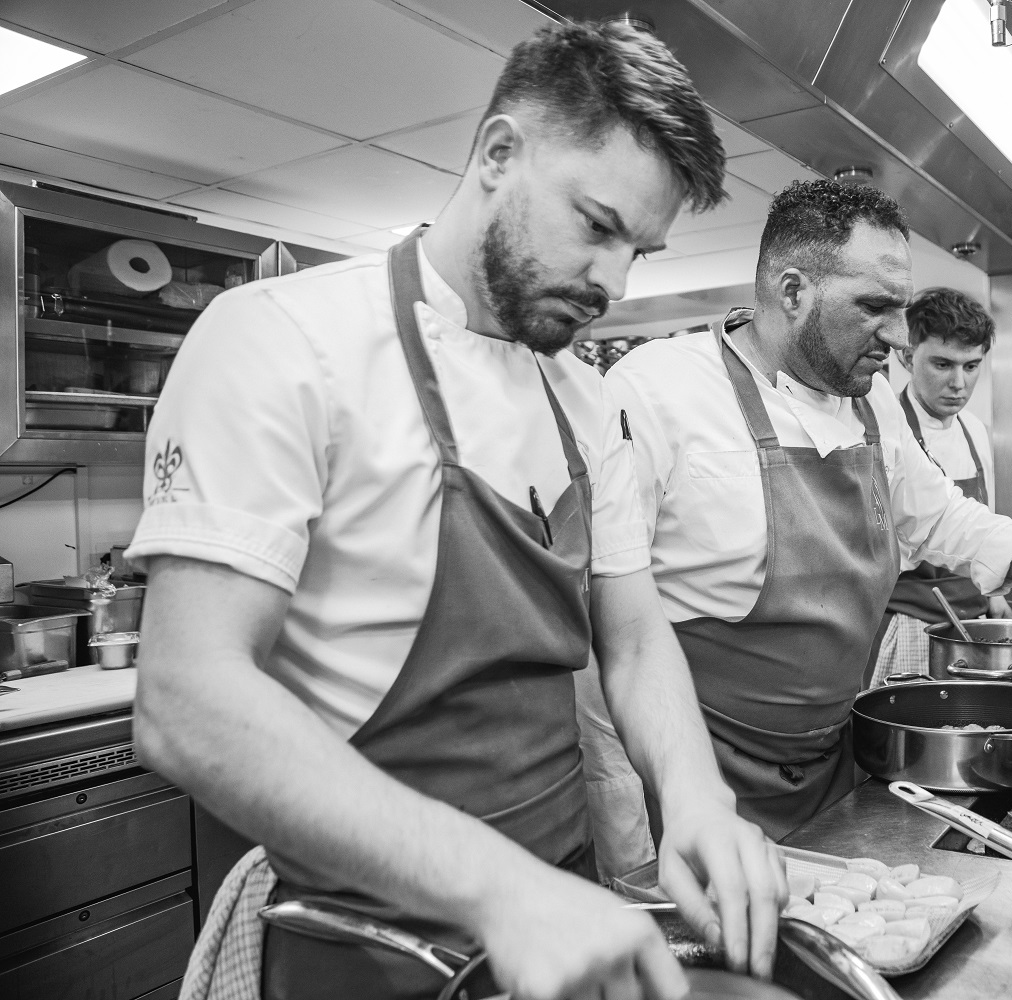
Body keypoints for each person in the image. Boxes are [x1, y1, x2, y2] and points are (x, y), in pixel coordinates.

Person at [127, 23, 784, 1000]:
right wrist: (500, 890)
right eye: (597, 225)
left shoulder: (583, 400)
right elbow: (187, 700)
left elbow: (635, 637)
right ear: (498, 154)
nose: (613, 282)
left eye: (638, 251)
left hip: (566, 929)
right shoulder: (284, 341)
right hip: (363, 946)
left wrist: (694, 796)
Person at [606, 180, 1012, 839]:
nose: (897, 336)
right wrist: (625, 828)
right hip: (697, 787)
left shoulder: (869, 403)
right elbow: (610, 635)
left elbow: (941, 515)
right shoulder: (658, 391)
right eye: (874, 307)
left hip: (831, 762)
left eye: (901, 309)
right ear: (791, 290)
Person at [870, 286, 1004, 686]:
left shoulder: (976, 431)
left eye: (971, 366)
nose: (959, 383)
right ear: (907, 356)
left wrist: (994, 593)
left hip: (973, 619)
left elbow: (982, 520)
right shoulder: (883, 430)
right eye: (943, 364)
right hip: (909, 620)